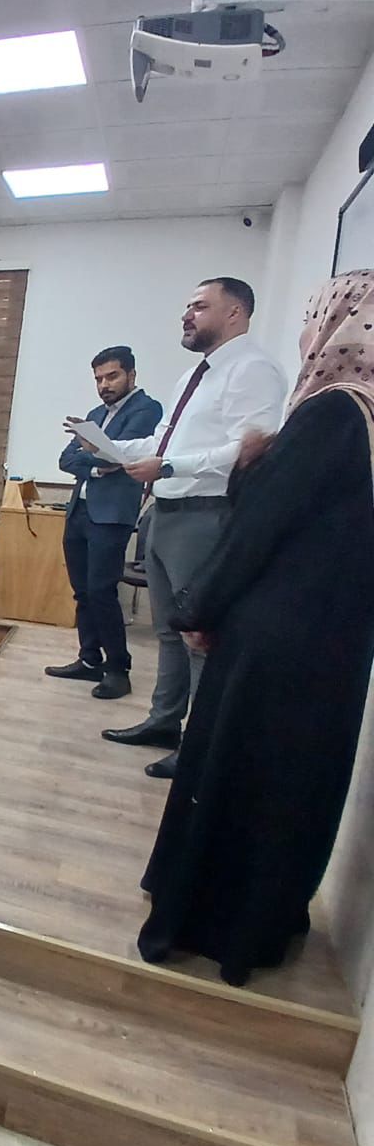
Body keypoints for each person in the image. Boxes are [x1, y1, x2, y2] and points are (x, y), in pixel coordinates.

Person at [137, 271, 374, 986]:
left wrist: (200, 609)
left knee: (239, 777)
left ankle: (207, 924)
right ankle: (264, 919)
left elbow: (261, 525)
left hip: (277, 637)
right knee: (296, 786)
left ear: (340, 327)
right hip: (336, 640)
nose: (304, 335)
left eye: (313, 318)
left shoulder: (332, 411)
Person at [93, 278, 288, 777]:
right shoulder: (194, 376)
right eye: (188, 306)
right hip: (165, 511)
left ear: (235, 312)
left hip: (206, 513)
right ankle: (164, 721)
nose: (187, 314)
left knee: (199, 634)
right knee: (168, 630)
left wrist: (170, 468)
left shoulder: (252, 369)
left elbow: (251, 446)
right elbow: (164, 440)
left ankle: (200, 745)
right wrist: (110, 448)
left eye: (200, 306)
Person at [46, 346, 162, 699]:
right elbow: (67, 459)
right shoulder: (95, 414)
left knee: (101, 591)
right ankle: (89, 659)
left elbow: (120, 454)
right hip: (79, 511)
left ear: (131, 375)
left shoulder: (146, 409)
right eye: (98, 379)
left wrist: (99, 455)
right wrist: (96, 465)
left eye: (112, 376)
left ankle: (118, 669)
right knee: (82, 591)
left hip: (111, 515)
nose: (104, 385)